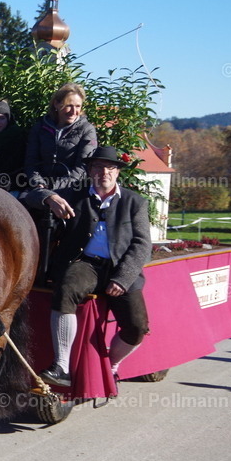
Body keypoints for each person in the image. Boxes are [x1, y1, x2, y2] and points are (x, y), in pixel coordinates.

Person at [23, 146, 152, 387]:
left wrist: (122, 278)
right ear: (90, 171)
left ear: (117, 172)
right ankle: (61, 366)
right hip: (85, 263)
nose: (104, 172)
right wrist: (49, 197)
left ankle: (111, 365)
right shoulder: (74, 194)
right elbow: (31, 196)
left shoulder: (135, 202)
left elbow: (142, 244)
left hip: (121, 268)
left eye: (110, 168)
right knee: (65, 290)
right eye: (98, 167)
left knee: (137, 327)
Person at [24, 82, 97, 191]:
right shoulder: (40, 127)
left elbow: (83, 168)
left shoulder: (87, 130)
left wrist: (54, 187)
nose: (73, 111)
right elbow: (31, 161)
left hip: (72, 190)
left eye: (78, 106)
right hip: (39, 188)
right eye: (69, 106)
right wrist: (38, 183)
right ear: (56, 104)